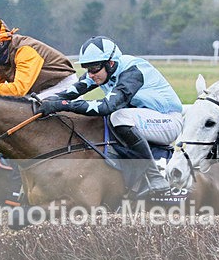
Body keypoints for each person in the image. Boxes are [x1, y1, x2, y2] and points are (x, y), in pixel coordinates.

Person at [38, 36, 183, 198]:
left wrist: (63, 105)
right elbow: (69, 93)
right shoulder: (102, 72)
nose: (90, 74)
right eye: (87, 68)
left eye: (93, 68)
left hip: (168, 121)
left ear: (111, 63)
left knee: (118, 116)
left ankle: (154, 176)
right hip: (143, 119)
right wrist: (43, 102)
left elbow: (108, 106)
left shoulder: (133, 72)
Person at [0, 15, 77, 99]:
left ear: (0, 42)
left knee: (26, 112)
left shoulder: (25, 50)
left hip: (62, 85)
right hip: (36, 91)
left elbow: (18, 90)